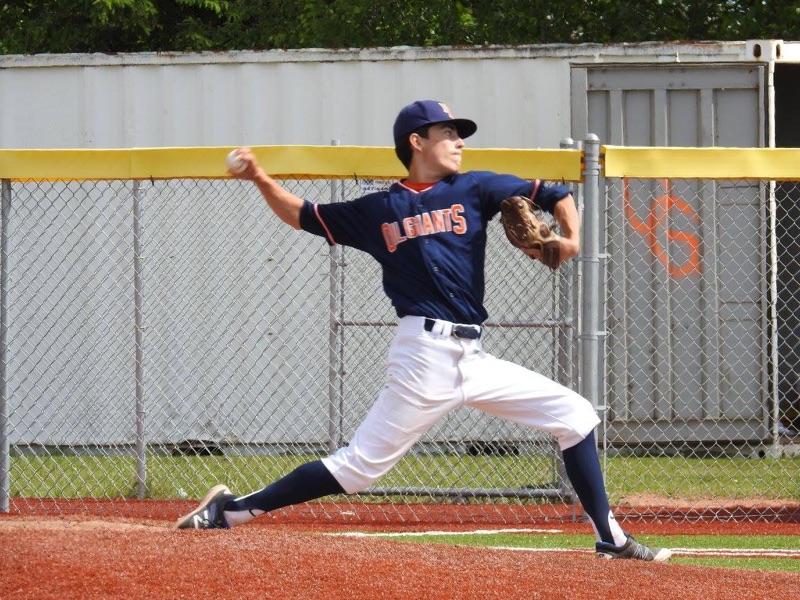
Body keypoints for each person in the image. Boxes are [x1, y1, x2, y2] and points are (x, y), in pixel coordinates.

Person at [175, 99, 671, 562]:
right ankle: (231, 511)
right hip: (424, 355)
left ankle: (611, 539)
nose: (459, 142)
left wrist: (572, 240)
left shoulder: (476, 188)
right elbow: (304, 215)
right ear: (417, 142)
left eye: (459, 134)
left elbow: (558, 195)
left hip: (473, 357)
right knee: (359, 469)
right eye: (448, 133)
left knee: (575, 414)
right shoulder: (379, 210)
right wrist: (260, 177)